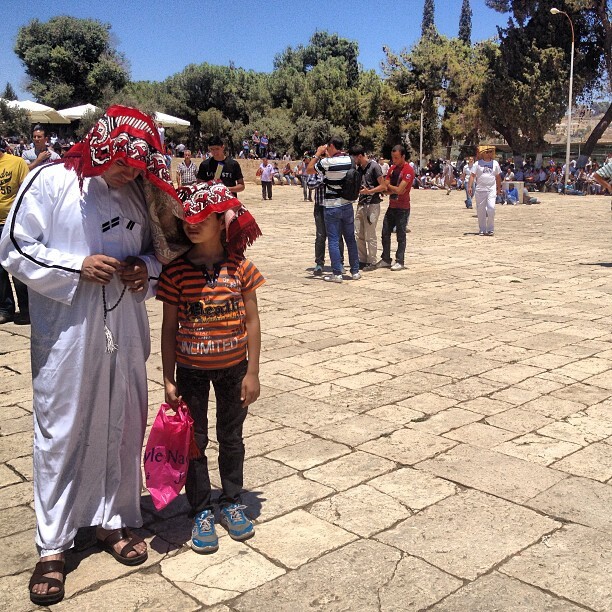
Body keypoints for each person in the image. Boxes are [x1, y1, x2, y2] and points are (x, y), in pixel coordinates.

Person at [0, 105, 188, 606]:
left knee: (123, 421)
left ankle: (114, 519)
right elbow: (15, 245)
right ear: (103, 143)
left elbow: (158, 251)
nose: (131, 170)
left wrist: (141, 269)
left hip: (125, 328)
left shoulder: (136, 192)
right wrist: (75, 265)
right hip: (67, 334)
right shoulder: (50, 181)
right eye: (125, 160)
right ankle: (54, 544)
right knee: (62, 430)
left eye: (139, 164)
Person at [158, 181, 263, 553]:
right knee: (196, 441)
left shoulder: (241, 269)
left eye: (203, 217)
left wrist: (252, 371)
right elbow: (170, 327)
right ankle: (201, 507)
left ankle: (232, 501)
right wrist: (168, 377)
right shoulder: (175, 273)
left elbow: (252, 320)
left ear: (222, 221)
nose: (193, 224)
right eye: (188, 217)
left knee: (231, 437)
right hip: (191, 371)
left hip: (235, 368)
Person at [307, 136, 361, 283]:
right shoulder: (350, 160)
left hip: (331, 206)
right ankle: (355, 271)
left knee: (333, 239)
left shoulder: (326, 162)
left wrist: (317, 154)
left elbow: (309, 169)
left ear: (331, 146)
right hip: (347, 204)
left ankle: (336, 273)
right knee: (350, 238)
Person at [0, 138, 30, 324]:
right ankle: (6, 308)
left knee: (18, 268)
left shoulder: (16, 162)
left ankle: (26, 309)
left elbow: (27, 192)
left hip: (12, 224)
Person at [375, 145, 415, 271]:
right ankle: (386, 258)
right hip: (392, 205)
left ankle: (400, 260)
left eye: (396, 158)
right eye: (393, 158)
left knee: (400, 235)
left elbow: (399, 190)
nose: (394, 160)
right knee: (385, 232)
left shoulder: (408, 170)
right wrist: (390, 188)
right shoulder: (392, 168)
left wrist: (389, 187)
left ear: (403, 156)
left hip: (403, 208)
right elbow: (386, 186)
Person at [350, 145, 385, 271]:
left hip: (372, 204)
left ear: (359, 156)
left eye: (354, 157)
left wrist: (369, 191)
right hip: (361, 204)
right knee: (358, 233)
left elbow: (383, 186)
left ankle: (372, 261)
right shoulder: (359, 169)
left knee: (370, 234)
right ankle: (362, 260)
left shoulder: (374, 166)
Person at [468, 144, 502, 236]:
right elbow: (472, 175)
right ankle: (482, 229)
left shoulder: (495, 163)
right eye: (487, 152)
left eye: (490, 152)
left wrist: (499, 188)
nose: (489, 154)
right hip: (480, 189)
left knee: (491, 208)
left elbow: (498, 177)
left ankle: (490, 228)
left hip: (491, 189)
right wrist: (470, 187)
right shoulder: (477, 164)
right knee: (481, 210)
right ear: (483, 153)